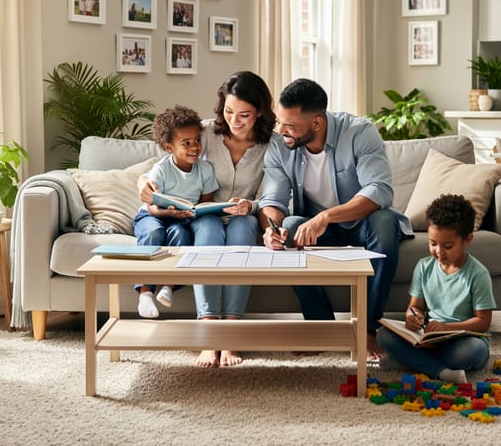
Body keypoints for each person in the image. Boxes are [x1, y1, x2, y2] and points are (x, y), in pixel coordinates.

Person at [259, 78, 411, 359]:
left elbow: (379, 190)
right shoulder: (280, 145)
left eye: (290, 126)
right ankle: (321, 327)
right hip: (317, 230)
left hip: (362, 225)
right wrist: (272, 228)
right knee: (290, 227)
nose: (282, 131)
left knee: (385, 221)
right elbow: (273, 199)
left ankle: (366, 329)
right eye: (280, 122)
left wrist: (327, 216)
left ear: (316, 123)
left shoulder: (359, 132)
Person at [139, 71, 277, 368]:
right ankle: (208, 331)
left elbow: (272, 196)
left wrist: (249, 205)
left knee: (243, 231)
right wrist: (143, 183)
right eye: (229, 111)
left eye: (244, 115)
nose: (234, 121)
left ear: (260, 113)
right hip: (205, 215)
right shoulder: (204, 132)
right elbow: (165, 162)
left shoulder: (272, 146)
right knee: (209, 233)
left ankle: (231, 334)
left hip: (244, 215)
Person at [377, 194, 496, 383]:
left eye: (448, 246)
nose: (439, 251)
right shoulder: (424, 267)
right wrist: (412, 316)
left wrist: (447, 327)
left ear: (467, 240)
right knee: (383, 335)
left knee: (474, 351)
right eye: (433, 244)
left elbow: (483, 322)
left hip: (462, 340)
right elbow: (414, 306)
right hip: (429, 338)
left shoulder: (477, 274)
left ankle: (412, 362)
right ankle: (442, 371)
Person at [133, 105, 223, 319]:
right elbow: (152, 206)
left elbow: (205, 203)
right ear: (168, 147)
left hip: (180, 219)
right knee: (154, 233)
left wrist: (195, 214)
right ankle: (145, 293)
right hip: (153, 215)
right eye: (186, 143)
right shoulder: (162, 169)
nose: (195, 147)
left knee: (182, 235)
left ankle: (169, 287)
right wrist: (168, 213)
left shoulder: (205, 169)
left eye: (197, 140)